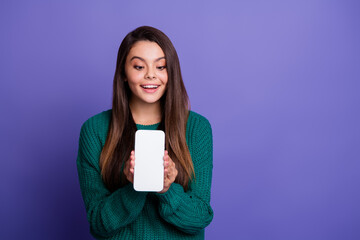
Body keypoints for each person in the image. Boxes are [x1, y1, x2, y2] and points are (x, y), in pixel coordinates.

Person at [76, 26, 214, 240]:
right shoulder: (95, 130)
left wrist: (167, 189)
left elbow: (199, 219)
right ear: (123, 72)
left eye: (161, 66)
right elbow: (98, 223)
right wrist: (135, 186)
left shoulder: (196, 128)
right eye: (139, 66)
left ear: (171, 73)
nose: (151, 74)